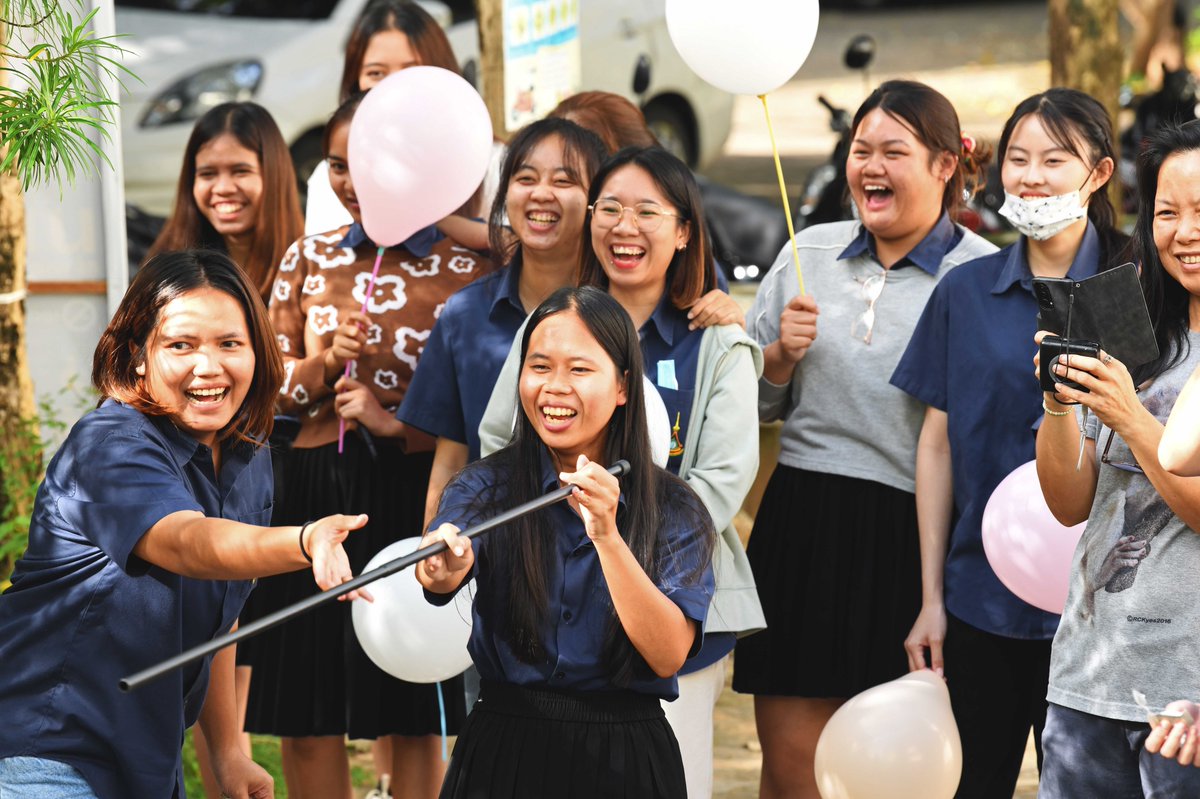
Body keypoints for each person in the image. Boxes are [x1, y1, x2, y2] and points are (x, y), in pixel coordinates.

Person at [0, 250, 367, 799]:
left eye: (230, 343)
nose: (209, 366)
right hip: (44, 752)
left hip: (147, 760)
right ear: (137, 356)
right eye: (181, 345)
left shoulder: (247, 450)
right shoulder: (109, 444)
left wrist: (228, 753)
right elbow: (191, 545)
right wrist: (304, 539)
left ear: (258, 351)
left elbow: (221, 614)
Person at [735, 79, 997, 799]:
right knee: (792, 771)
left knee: (894, 771)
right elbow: (753, 408)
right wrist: (777, 358)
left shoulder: (982, 274)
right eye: (861, 150)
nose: (871, 167)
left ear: (945, 165)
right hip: (804, 526)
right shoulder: (808, 252)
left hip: (916, 538)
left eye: (893, 152)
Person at [475, 146, 762, 798]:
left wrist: (615, 544)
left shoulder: (717, 342)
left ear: (684, 230)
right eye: (609, 208)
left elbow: (720, 481)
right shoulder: (550, 326)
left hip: (668, 598)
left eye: (647, 212)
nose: (623, 227)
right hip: (543, 595)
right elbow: (499, 440)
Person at [241, 93, 490, 799]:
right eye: (338, 165)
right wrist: (323, 365)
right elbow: (263, 392)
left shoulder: (468, 265)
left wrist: (394, 423)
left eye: (371, 162)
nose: (353, 181)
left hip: (414, 489)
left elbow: (482, 407)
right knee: (307, 707)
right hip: (313, 487)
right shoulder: (308, 256)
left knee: (412, 707)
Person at [890, 88, 1125, 797]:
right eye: (1018, 158)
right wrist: (932, 596)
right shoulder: (964, 292)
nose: (1031, 176)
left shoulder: (1139, 288)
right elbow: (937, 446)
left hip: (1107, 610)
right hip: (981, 602)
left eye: (1055, 160)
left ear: (1099, 173)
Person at [418, 286, 716, 799]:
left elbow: (669, 654)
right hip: (503, 750)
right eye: (539, 367)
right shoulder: (484, 486)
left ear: (623, 386)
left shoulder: (674, 506)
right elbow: (443, 563)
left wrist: (607, 536)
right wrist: (440, 568)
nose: (555, 387)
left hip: (627, 756)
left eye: (579, 369)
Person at [1033, 120, 1200, 797]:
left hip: (1187, 700)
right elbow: (1070, 503)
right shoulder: (1129, 327)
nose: (1185, 232)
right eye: (1167, 212)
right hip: (1090, 672)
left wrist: (1131, 416)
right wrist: (1056, 404)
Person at [398, 117, 609, 523]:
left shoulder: (619, 314)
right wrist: (434, 541)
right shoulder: (465, 313)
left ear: (594, 202)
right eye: (525, 178)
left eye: (563, 181)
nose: (541, 193)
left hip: (598, 540)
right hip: (492, 541)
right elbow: (451, 459)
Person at [305, 0, 492, 252]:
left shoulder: (492, 163)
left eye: (411, 71)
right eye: (376, 73)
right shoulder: (328, 178)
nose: (393, 88)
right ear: (354, 81)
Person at [147, 102, 303, 302]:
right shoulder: (164, 273)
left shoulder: (311, 271)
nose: (223, 188)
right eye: (208, 174)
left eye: (240, 171)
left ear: (275, 175)